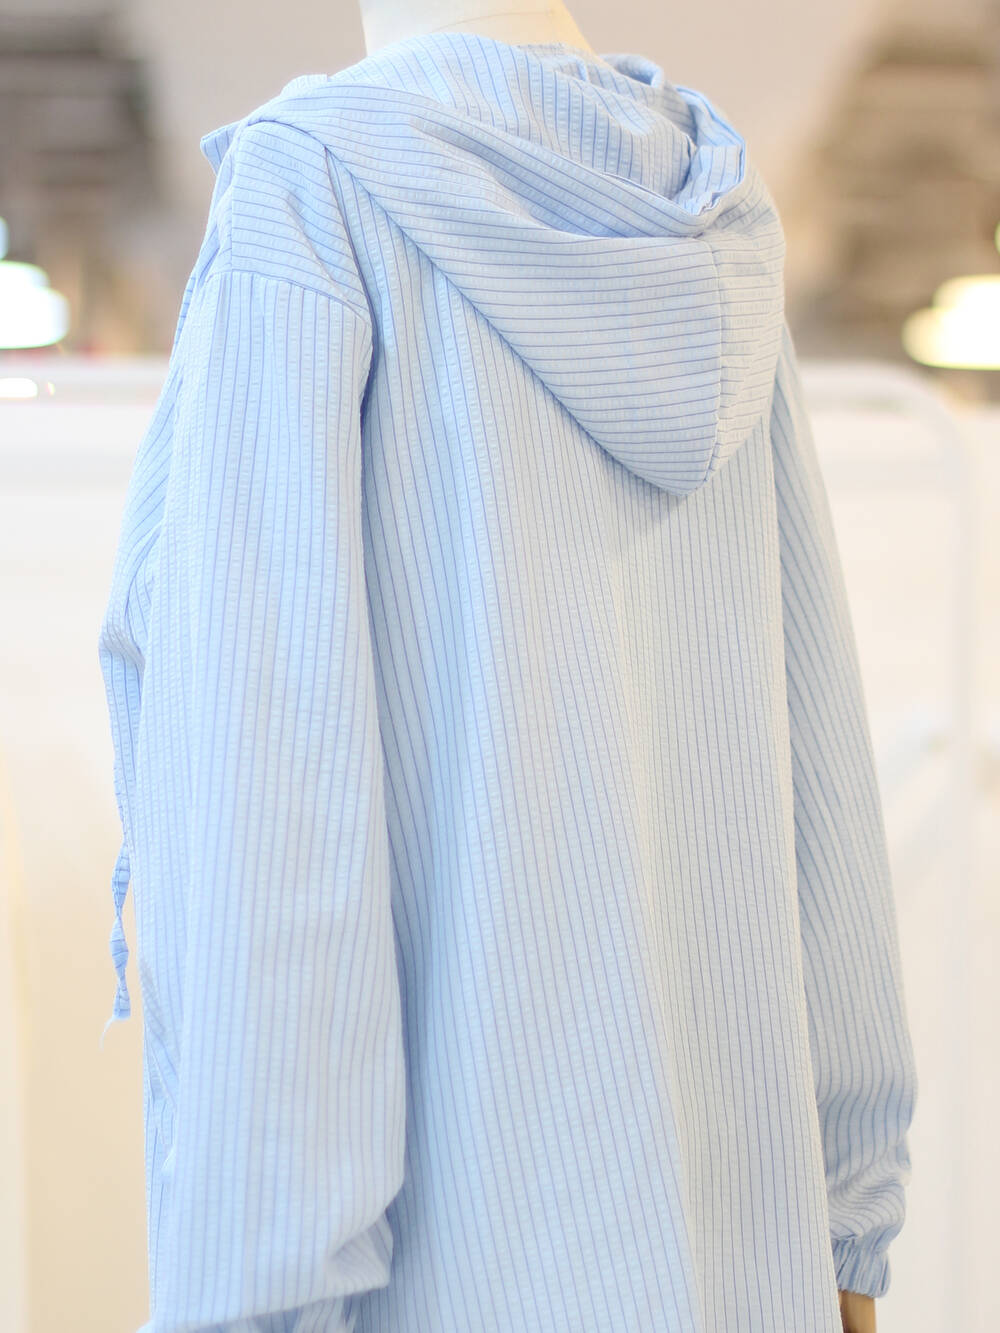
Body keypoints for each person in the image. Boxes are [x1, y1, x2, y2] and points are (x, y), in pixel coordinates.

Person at [96, 7, 916, 1331]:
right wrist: (844, 1230)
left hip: (454, 1275)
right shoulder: (717, 226)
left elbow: (270, 817)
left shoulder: (311, 193)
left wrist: (260, 1290)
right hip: (744, 1275)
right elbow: (823, 776)